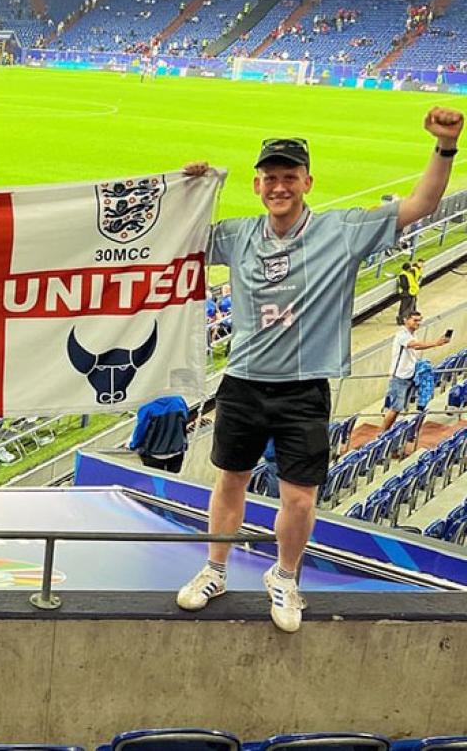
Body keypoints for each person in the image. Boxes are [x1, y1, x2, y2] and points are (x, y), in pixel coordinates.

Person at [177, 107, 462, 633]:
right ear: (258, 184)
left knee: (300, 495)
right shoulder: (238, 235)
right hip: (242, 381)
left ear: (307, 181)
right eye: (270, 177)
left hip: (303, 389)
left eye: (290, 177)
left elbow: (421, 204)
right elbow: (176, 234)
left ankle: (285, 577)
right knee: (229, 481)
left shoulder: (343, 230)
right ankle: (214, 569)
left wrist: (444, 145)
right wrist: (187, 189)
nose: (279, 186)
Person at [380, 310, 450, 436]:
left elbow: (417, 346)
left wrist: (436, 344)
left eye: (419, 320)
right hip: (399, 377)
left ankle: (388, 433)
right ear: (406, 320)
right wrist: (435, 343)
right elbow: (413, 345)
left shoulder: (412, 335)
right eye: (415, 320)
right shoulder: (402, 335)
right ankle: (383, 434)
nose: (418, 323)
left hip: (410, 375)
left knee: (400, 408)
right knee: (395, 407)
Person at [128, 395, 189, 474]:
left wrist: (132, 445)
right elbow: (185, 420)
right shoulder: (179, 401)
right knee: (173, 479)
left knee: (155, 481)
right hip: (176, 451)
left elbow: (140, 431)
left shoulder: (147, 407)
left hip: (153, 454)